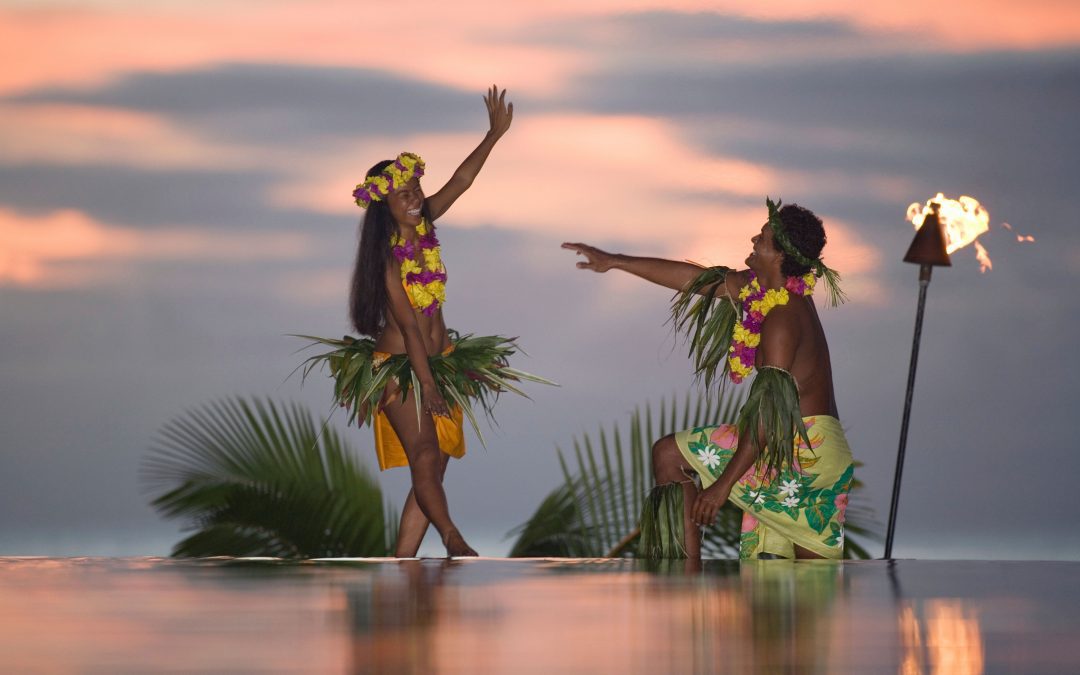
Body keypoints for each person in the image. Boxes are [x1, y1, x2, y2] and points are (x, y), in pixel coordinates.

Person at [299, 86, 552, 558]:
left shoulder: (425, 225)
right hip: (401, 369)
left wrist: (493, 135)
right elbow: (411, 329)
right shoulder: (388, 260)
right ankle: (454, 539)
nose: (415, 198)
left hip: (440, 361)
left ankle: (403, 559)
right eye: (404, 194)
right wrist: (428, 385)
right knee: (425, 456)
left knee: (431, 469)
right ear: (385, 205)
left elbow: (462, 180)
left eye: (415, 189)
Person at [562, 199, 855, 560]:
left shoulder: (782, 319)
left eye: (763, 238)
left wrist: (721, 487)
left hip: (800, 452)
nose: (754, 240)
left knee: (669, 454)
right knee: (808, 583)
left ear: (779, 255)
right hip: (824, 453)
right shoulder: (762, 290)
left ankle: (683, 582)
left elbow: (769, 413)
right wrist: (616, 261)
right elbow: (695, 280)